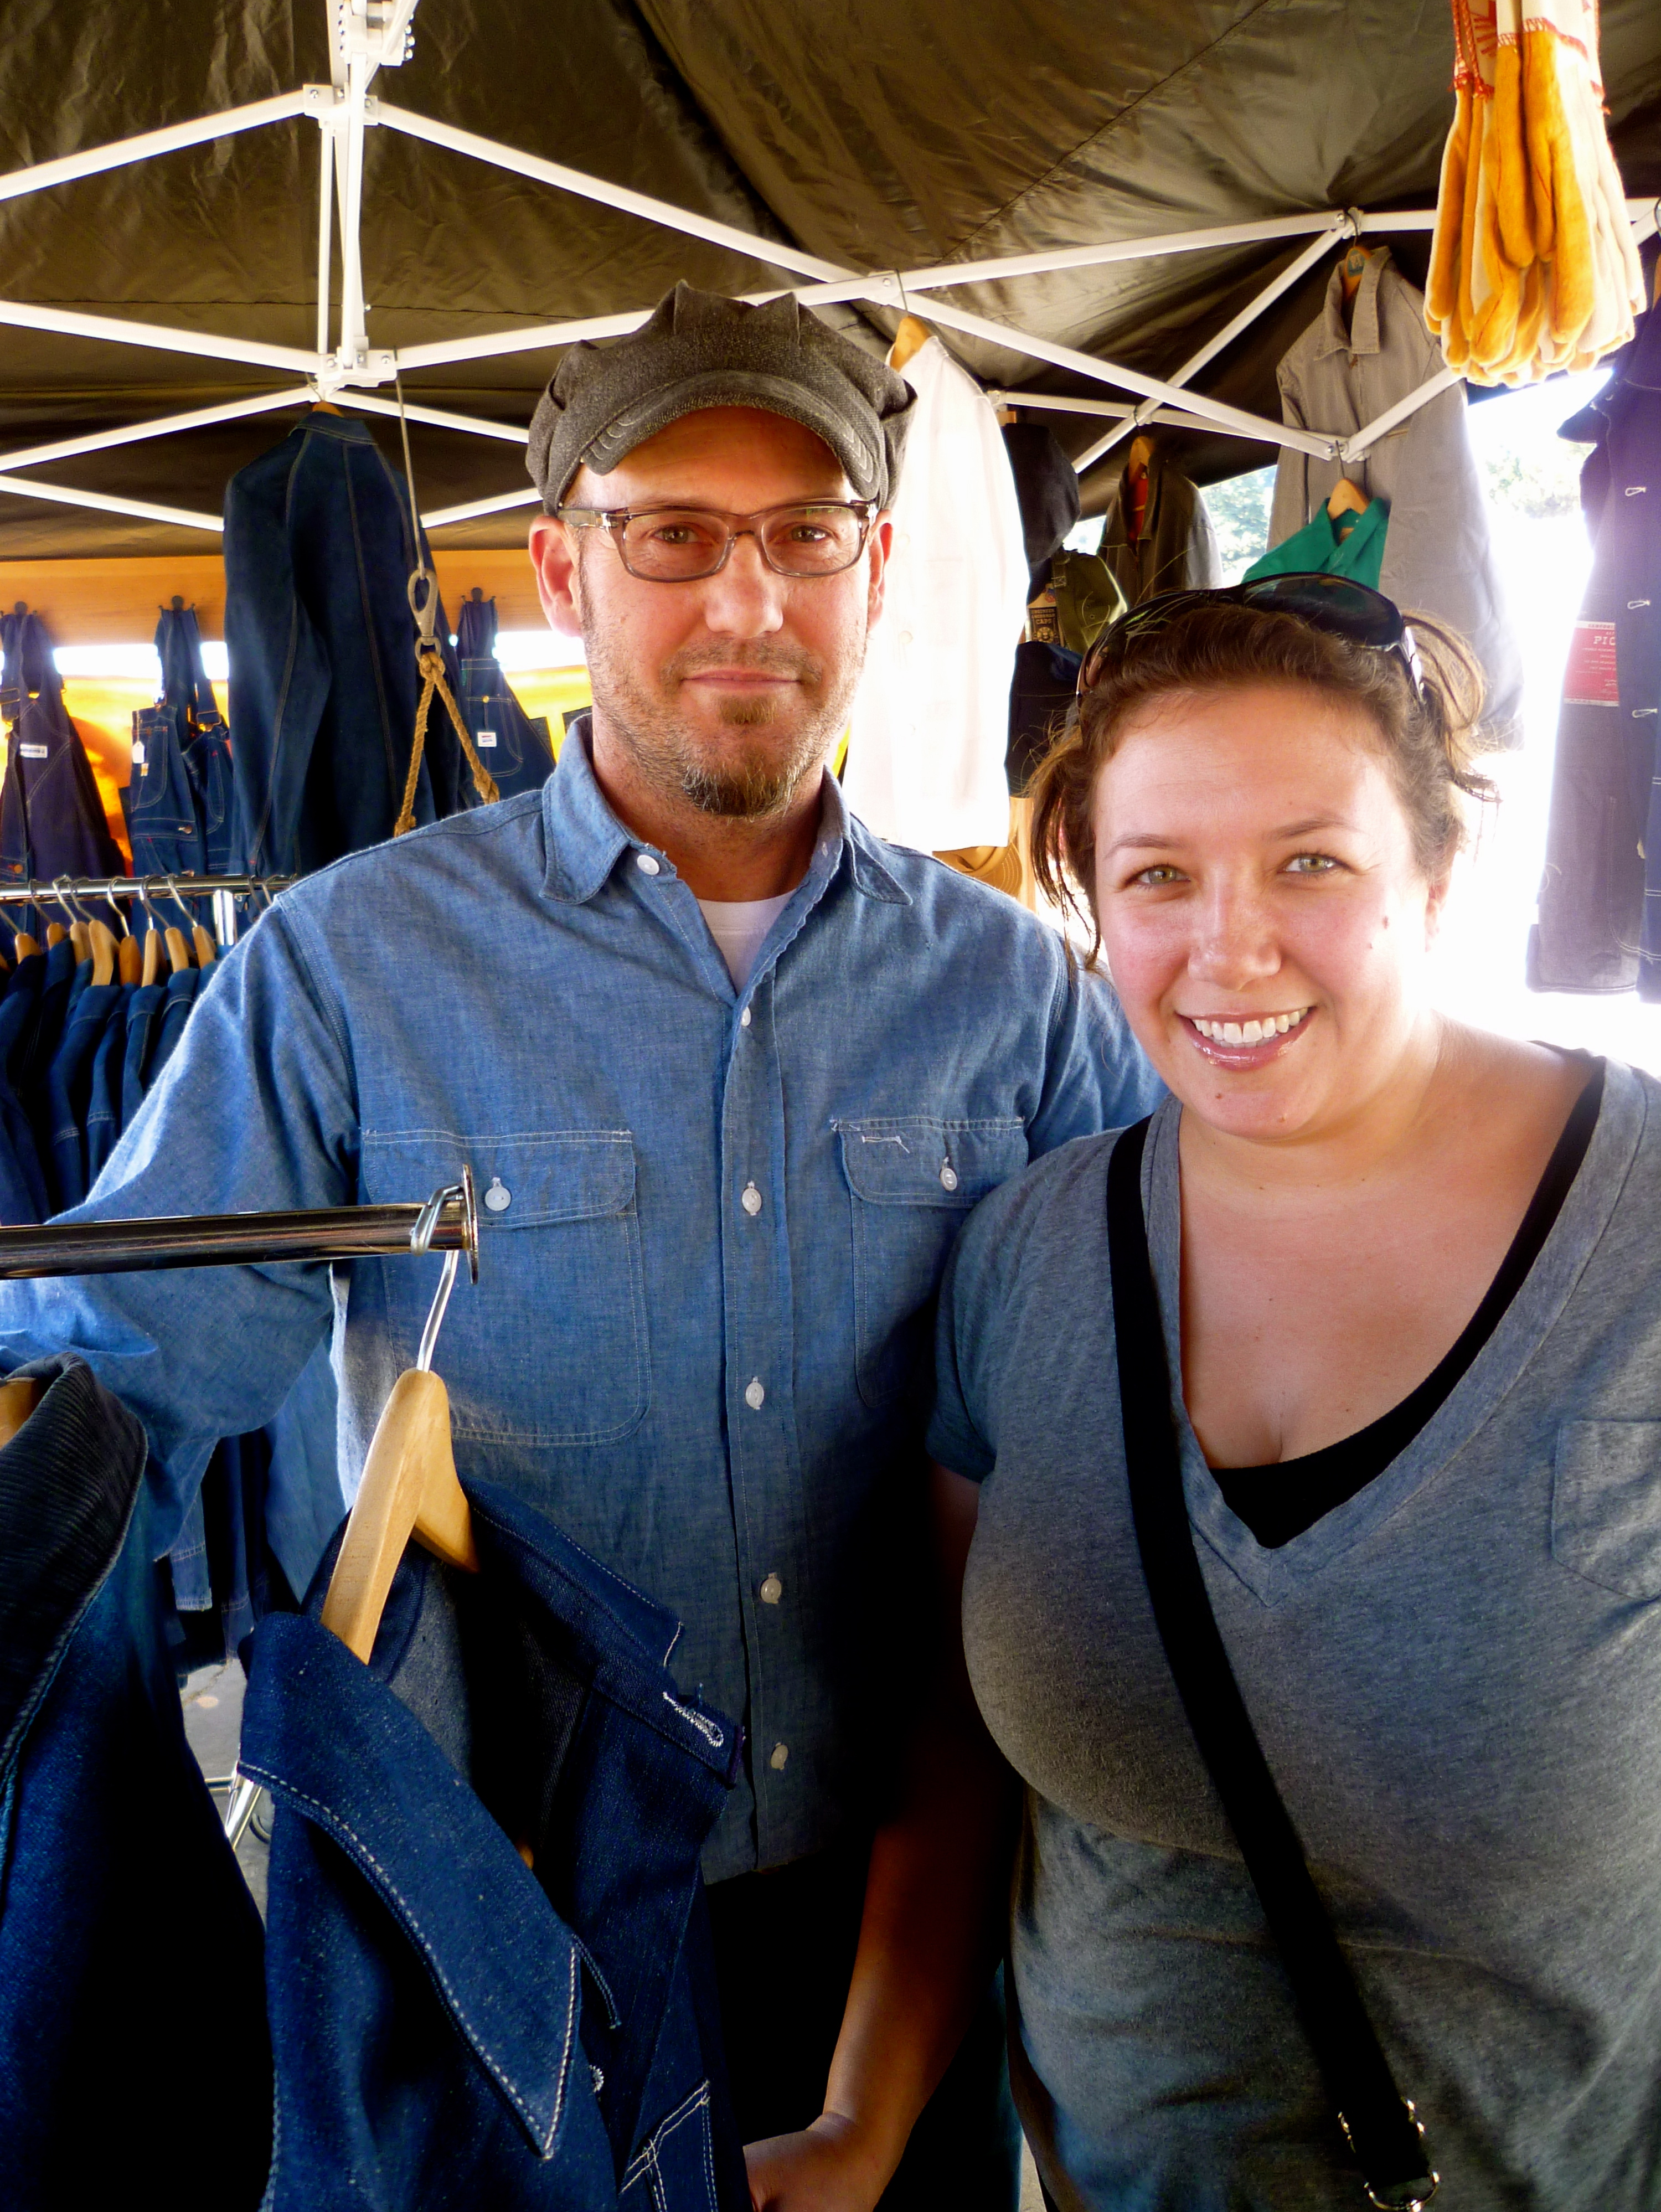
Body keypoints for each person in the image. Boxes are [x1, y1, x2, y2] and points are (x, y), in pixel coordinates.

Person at [0, 283, 1160, 2204]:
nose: (747, 600)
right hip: (495, 1946)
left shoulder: (1018, 1000)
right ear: (561, 571)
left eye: (805, 536)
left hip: (909, 1932)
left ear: (878, 573)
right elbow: (122, 1371)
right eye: (674, 535)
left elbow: (1147, 1406)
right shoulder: (350, 968)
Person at [749, 576, 1661, 2211]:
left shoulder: (1639, 1233)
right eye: (1158, 875)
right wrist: (859, 2123)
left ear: (1436, 872)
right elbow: (961, 1744)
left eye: (1311, 862)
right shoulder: (1028, 1254)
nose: (1228, 950)